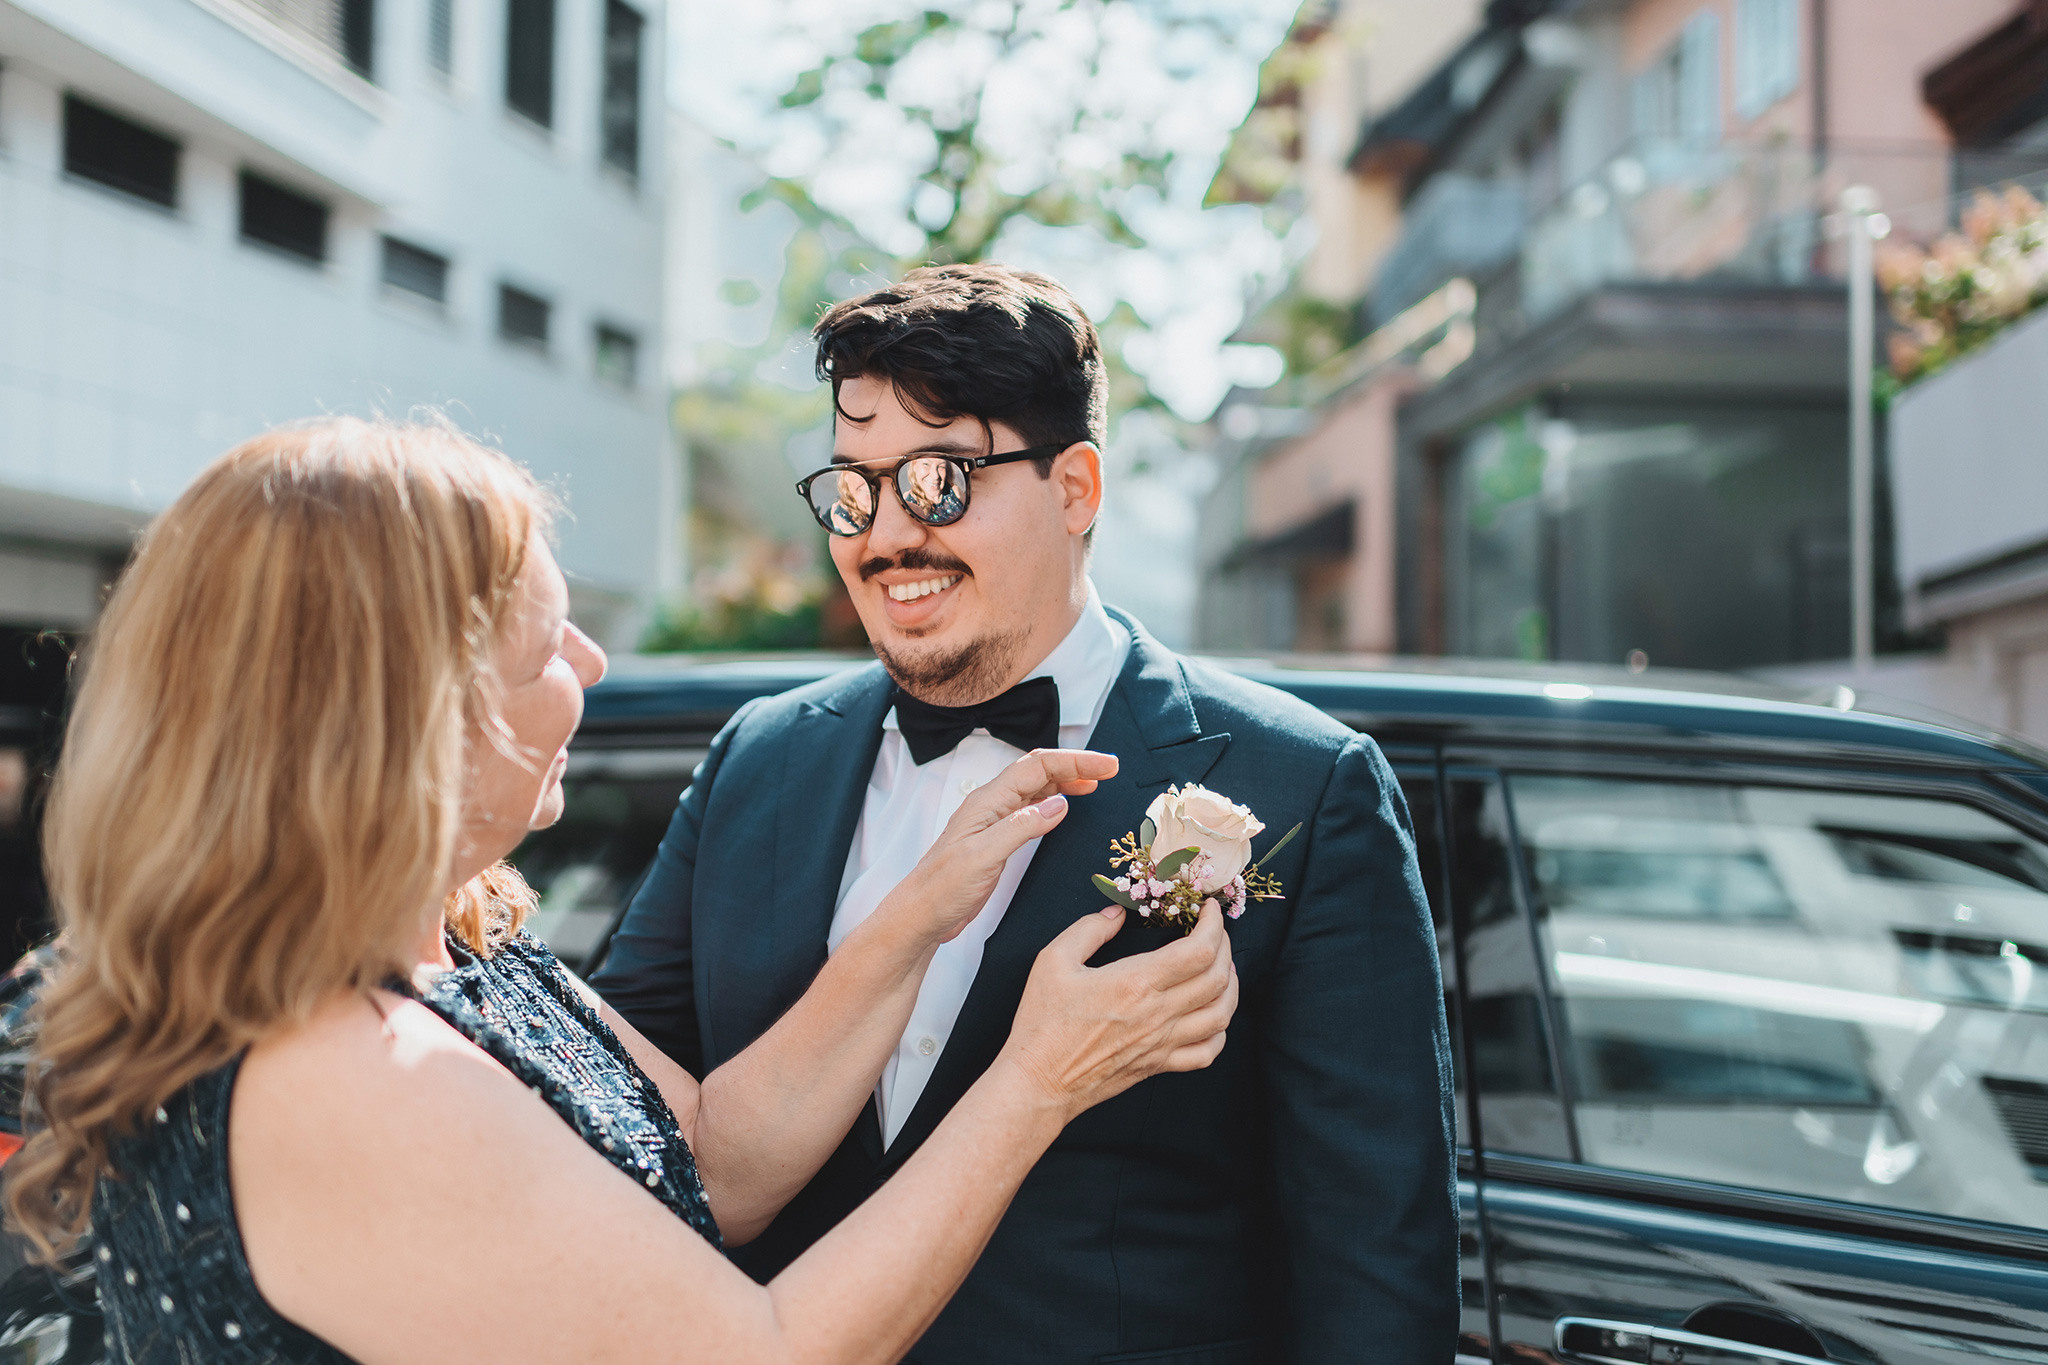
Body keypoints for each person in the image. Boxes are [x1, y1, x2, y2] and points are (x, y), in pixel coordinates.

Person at [5, 417, 1238, 1364]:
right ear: (406, 718)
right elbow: (760, 1352)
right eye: (549, 642)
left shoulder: (451, 947)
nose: (591, 661)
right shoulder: (341, 1073)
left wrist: (922, 906)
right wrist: (1037, 1084)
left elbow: (709, 1158)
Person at [594, 264, 1460, 1364]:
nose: (885, 536)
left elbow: (1373, 1259)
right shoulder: (758, 758)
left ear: (1075, 490)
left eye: (941, 480)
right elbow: (615, 1123)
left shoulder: (1303, 785)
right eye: (855, 489)